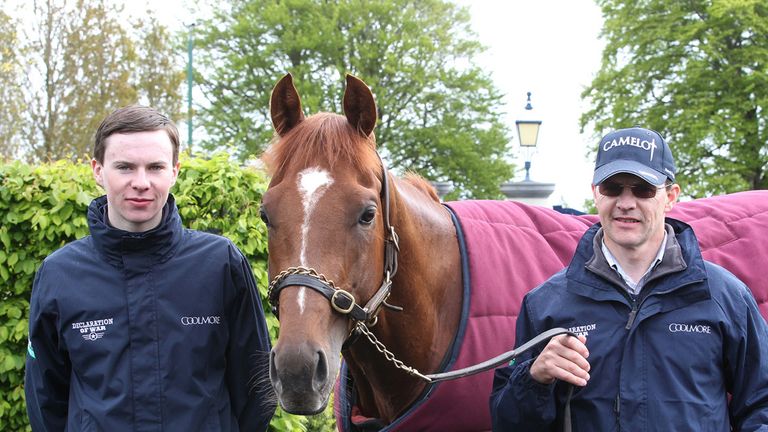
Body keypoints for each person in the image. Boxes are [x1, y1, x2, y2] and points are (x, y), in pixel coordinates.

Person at [489, 127, 768, 430]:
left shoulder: (724, 296)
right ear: (596, 192)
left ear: (670, 196)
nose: (625, 202)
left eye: (643, 189)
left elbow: (761, 403)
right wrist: (534, 378)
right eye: (613, 188)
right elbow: (508, 422)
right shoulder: (545, 304)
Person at [25, 105, 275, 431]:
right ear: (98, 170)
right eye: (125, 167)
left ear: (174, 171)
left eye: (155, 167)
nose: (141, 182)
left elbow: (255, 388)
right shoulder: (60, 273)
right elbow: (46, 399)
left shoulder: (220, 263)